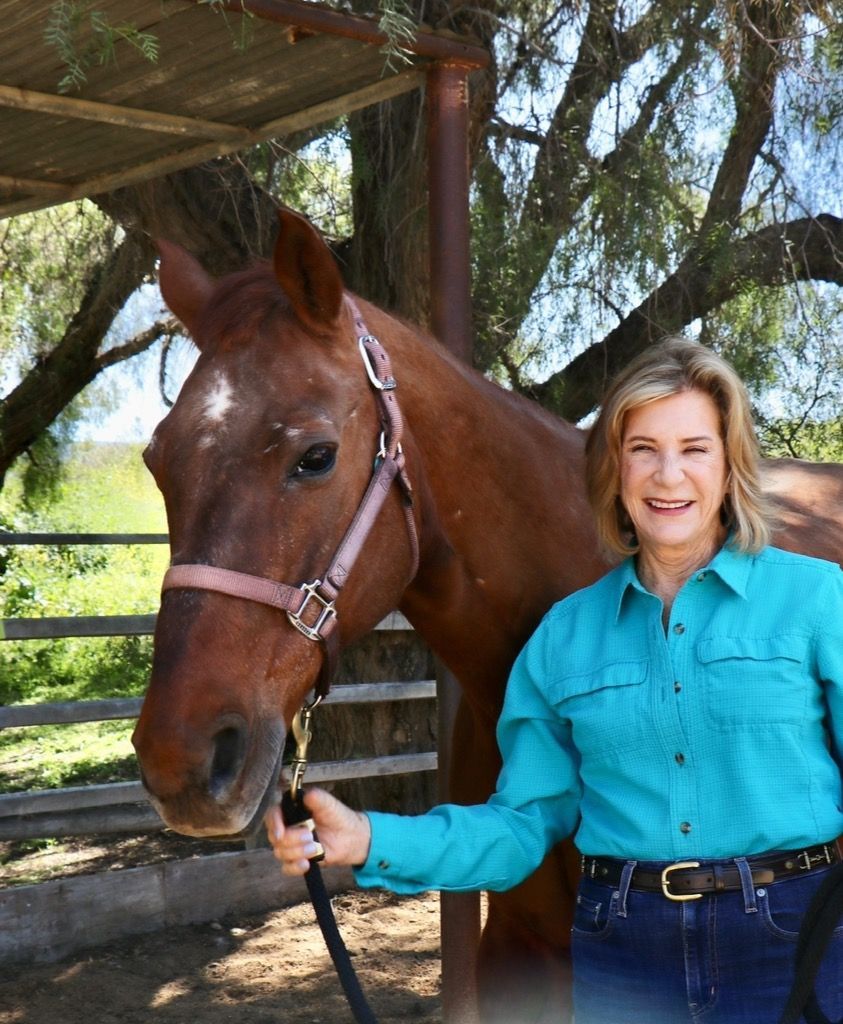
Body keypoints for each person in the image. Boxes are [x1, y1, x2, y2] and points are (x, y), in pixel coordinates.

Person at [265, 337, 843, 1023]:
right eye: (642, 450)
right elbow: (522, 827)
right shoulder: (563, 640)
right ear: (614, 470)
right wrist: (368, 839)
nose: (667, 477)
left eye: (694, 449)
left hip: (792, 938)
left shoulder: (817, 600)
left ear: (728, 466)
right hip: (622, 950)